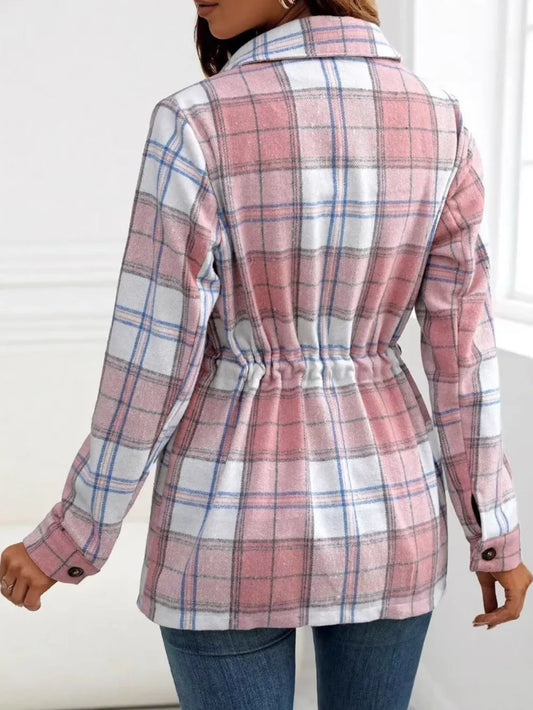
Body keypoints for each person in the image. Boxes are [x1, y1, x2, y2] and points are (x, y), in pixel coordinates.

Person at [1, 0, 532, 708]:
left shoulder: (196, 120)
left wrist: (72, 535)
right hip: (391, 513)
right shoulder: (442, 119)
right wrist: (494, 530)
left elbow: (152, 361)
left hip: (223, 519)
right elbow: (463, 357)